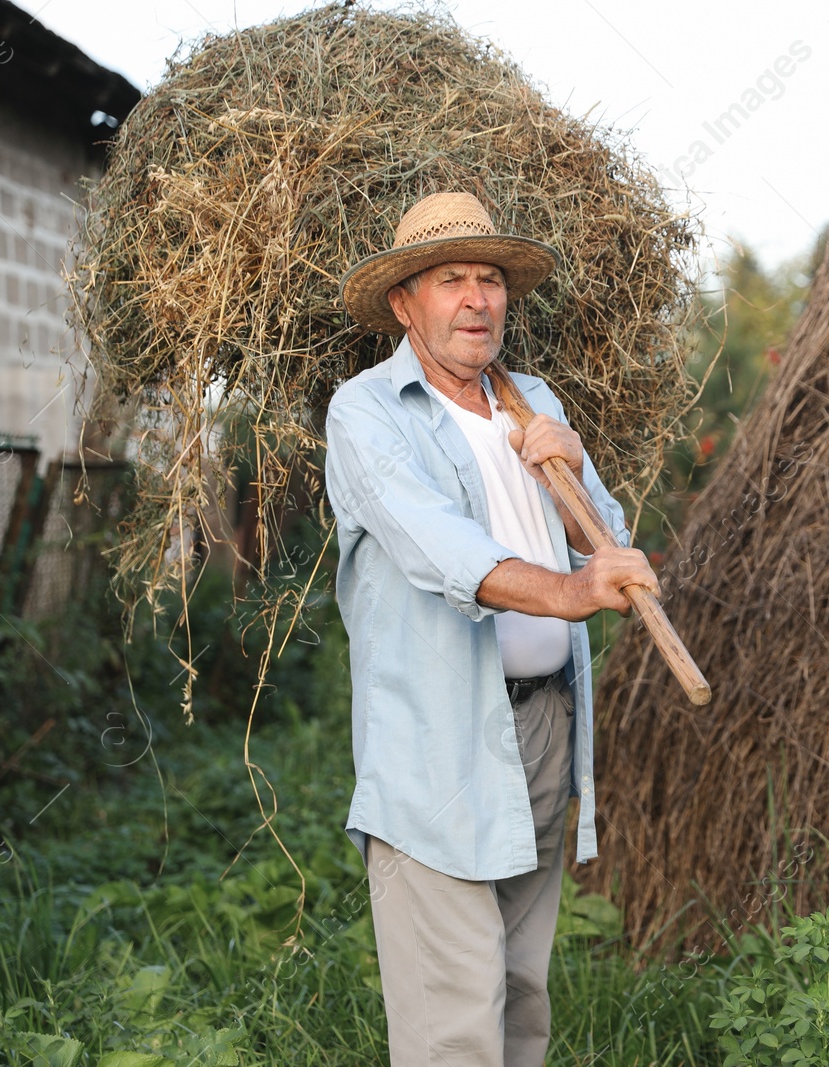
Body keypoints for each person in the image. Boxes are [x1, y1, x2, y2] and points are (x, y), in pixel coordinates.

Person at [326, 191, 658, 1067]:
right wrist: (576, 590)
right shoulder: (368, 414)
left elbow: (611, 546)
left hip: (545, 725)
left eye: (490, 280)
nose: (478, 299)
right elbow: (445, 552)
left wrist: (580, 471)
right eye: (451, 280)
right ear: (406, 303)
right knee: (452, 1021)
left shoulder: (530, 402)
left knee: (518, 994)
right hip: (439, 739)